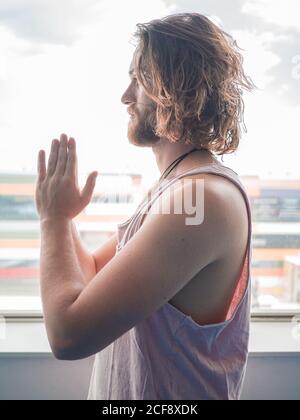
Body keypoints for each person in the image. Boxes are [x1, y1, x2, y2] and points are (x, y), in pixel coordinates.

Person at [36, 12, 255, 400]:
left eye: (138, 79)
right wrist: (64, 216)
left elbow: (68, 336)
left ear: (174, 87)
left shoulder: (201, 201)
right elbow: (89, 278)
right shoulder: (178, 189)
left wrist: (52, 220)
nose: (125, 96)